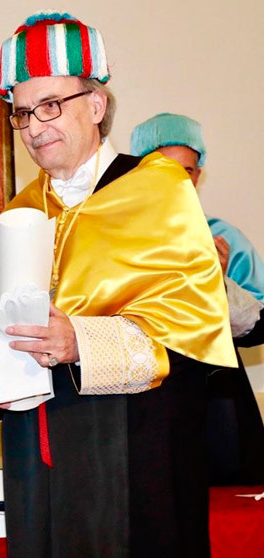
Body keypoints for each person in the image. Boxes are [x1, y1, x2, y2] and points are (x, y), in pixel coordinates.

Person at [0, 12, 236, 557]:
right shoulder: (18, 212)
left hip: (138, 454)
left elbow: (196, 343)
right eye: (23, 113)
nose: (35, 127)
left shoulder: (160, 191)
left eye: (51, 106)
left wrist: (81, 342)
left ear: (97, 105)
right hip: (40, 459)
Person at [130, 113, 264, 485]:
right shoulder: (115, 238)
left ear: (198, 176)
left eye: (187, 170)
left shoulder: (222, 237)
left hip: (217, 403)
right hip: (142, 403)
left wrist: (217, 283)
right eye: (164, 170)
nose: (179, 181)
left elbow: (257, 330)